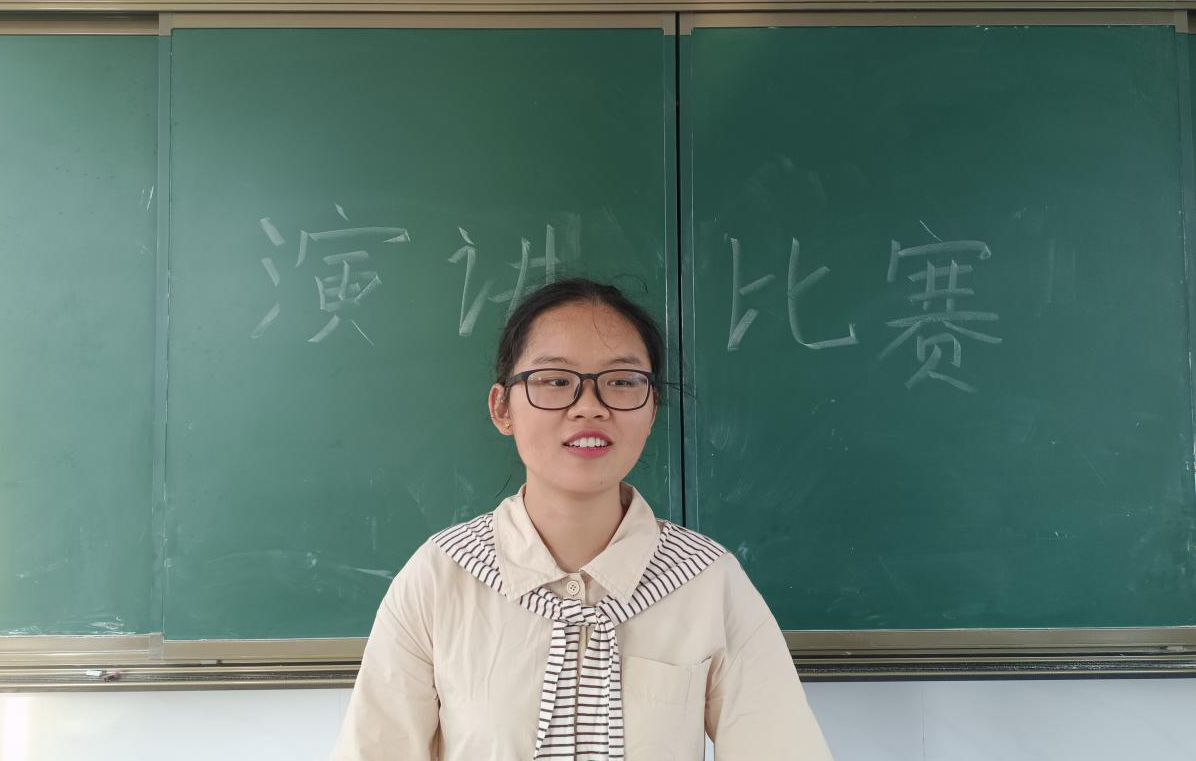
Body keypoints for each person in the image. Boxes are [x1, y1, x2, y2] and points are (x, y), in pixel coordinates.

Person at [331, 278, 833, 760]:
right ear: (502, 408)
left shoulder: (705, 580)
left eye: (622, 382)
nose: (589, 407)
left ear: (652, 408)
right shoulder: (442, 577)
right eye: (555, 381)